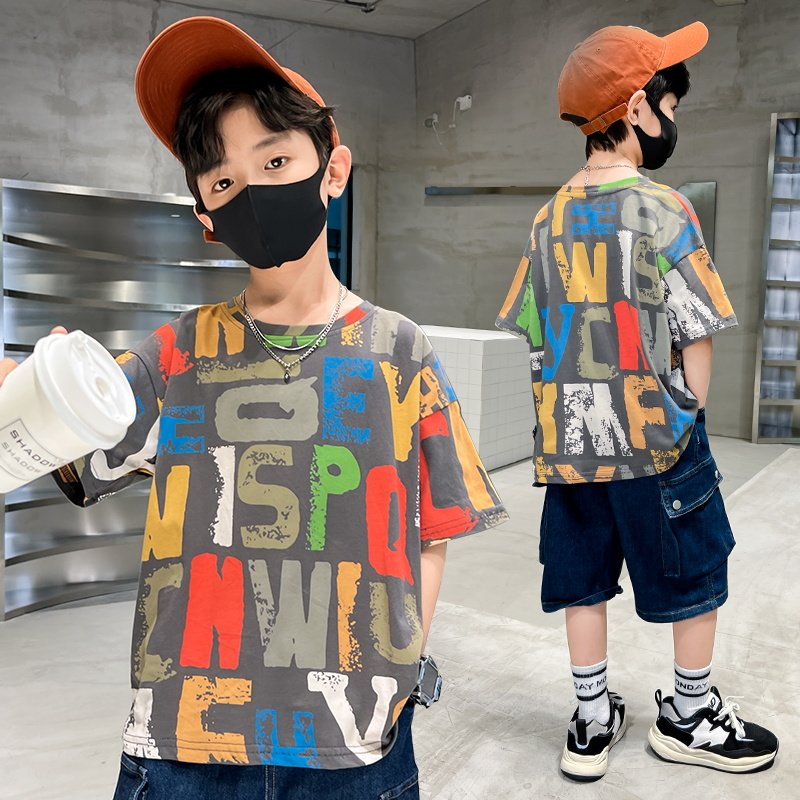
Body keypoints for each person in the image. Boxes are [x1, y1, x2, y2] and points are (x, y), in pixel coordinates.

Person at [0, 15, 509, 799]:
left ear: (332, 169)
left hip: (355, 747)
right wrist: (35, 384)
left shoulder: (400, 351)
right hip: (183, 747)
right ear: (206, 218)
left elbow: (430, 531)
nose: (254, 192)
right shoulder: (178, 352)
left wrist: (397, 674)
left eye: (275, 161)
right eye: (224, 182)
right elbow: (70, 438)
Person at [496, 21, 778, 782]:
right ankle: (689, 715)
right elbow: (697, 332)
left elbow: (533, 331)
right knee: (695, 572)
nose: (672, 122)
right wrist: (686, 413)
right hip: (657, 440)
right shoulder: (665, 209)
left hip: (572, 446)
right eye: (670, 107)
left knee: (582, 580)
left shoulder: (547, 218)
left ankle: (591, 721)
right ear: (636, 108)